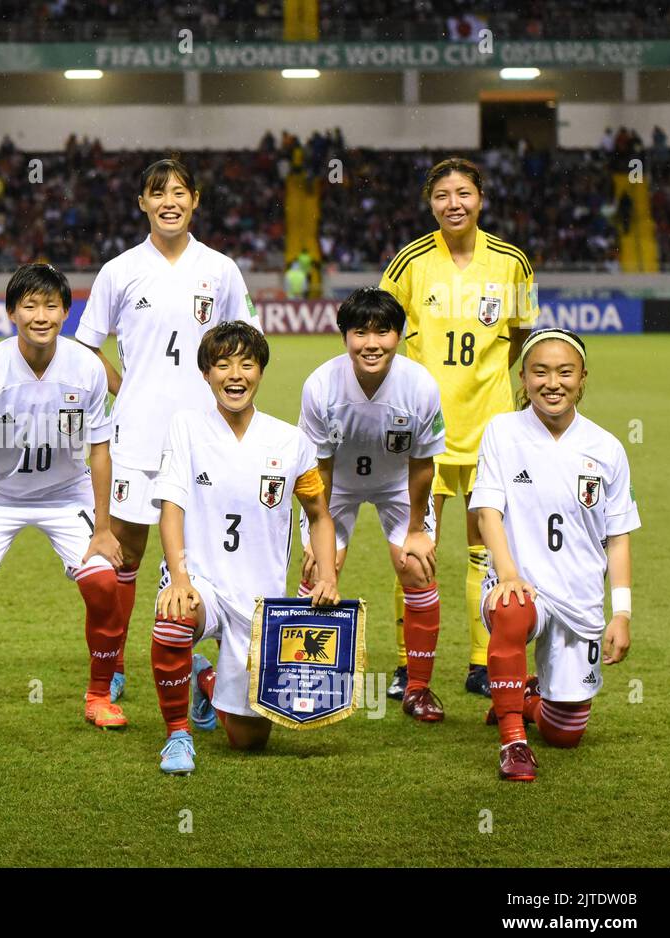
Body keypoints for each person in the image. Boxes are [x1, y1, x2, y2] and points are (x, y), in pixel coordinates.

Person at [75, 157, 261, 704]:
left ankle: (200, 653)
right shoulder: (120, 269)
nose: (169, 202)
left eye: (179, 192)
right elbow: (86, 345)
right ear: (143, 204)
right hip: (135, 437)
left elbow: (247, 344)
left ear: (195, 201)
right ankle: (108, 666)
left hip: (204, 439)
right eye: (158, 193)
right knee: (124, 559)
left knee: (200, 556)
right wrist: (124, 387)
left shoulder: (221, 269)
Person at [150, 321, 339, 775]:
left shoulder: (290, 442)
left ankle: (205, 679)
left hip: (262, 603)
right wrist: (179, 578)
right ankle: (178, 736)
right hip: (201, 581)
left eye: (246, 364)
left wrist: (329, 574)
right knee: (175, 616)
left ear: (260, 372)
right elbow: (171, 505)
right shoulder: (187, 427)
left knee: (248, 742)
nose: (235, 375)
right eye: (222, 365)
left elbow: (319, 514)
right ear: (206, 374)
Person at [380, 157, 537, 700]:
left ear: (480, 198)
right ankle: (408, 666)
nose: (454, 203)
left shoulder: (511, 263)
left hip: (491, 430)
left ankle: (480, 660)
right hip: (423, 433)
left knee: (486, 551)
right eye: (443, 194)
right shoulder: (410, 263)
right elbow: (381, 335)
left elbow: (520, 339)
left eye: (464, 193)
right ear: (431, 203)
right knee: (415, 549)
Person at [0, 264, 125, 733]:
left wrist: (104, 529)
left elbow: (101, 451)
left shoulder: (86, 367)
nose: (40, 315)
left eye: (50, 305)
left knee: (105, 584)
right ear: (11, 312)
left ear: (66, 312)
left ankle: (99, 694)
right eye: (29, 305)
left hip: (68, 495)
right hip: (0, 499)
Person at [471, 328, 638, 781]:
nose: (552, 383)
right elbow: (487, 511)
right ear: (522, 378)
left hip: (579, 597)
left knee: (566, 732)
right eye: (539, 372)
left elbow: (618, 536)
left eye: (565, 372)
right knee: (512, 608)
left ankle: (524, 700)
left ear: (583, 378)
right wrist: (507, 573)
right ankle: (513, 742)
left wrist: (620, 613)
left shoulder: (606, 448)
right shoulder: (503, 431)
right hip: (521, 584)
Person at [297, 287, 447, 720]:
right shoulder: (321, 386)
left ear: (398, 336)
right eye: (360, 332)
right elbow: (318, 469)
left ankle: (418, 687)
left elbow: (422, 465)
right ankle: (311, 679)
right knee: (316, 570)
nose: (371, 343)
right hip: (336, 487)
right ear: (344, 337)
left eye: (383, 332)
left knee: (416, 566)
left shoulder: (419, 385)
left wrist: (417, 530)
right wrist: (319, 536)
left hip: (397, 484)